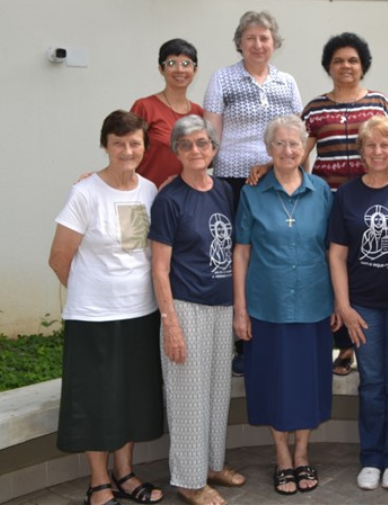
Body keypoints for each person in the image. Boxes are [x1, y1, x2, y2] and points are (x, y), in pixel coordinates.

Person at [249, 32, 388, 377]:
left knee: (369, 263)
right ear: (329, 66)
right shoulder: (316, 108)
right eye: (338, 60)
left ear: (362, 65)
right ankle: (343, 343)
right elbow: (297, 151)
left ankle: (354, 344)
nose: (346, 66)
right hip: (332, 200)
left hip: (378, 197)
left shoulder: (380, 101)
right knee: (336, 265)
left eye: (352, 60)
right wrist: (270, 167)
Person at [48, 110, 164, 505]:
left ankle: (126, 473)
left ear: (144, 147)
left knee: (130, 396)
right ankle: (99, 481)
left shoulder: (149, 190)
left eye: (134, 143)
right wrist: (89, 291)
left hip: (140, 313)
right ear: (106, 146)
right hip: (94, 318)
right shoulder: (85, 193)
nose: (127, 150)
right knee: (96, 399)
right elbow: (59, 257)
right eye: (118, 144)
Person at [232, 115, 334, 497]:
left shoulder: (322, 190)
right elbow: (241, 252)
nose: (288, 151)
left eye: (295, 144)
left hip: (313, 303)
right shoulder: (252, 192)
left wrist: (340, 300)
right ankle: (281, 456)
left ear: (304, 146)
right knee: (272, 382)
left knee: (308, 383)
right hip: (265, 304)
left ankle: (303, 453)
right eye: (280, 144)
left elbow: (333, 251)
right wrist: (240, 309)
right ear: (268, 149)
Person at [149, 116, 244, 505]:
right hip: (186, 307)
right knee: (188, 394)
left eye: (203, 143)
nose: (196, 151)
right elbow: (159, 268)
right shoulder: (169, 200)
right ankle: (188, 480)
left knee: (218, 391)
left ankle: (210, 464)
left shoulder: (223, 190)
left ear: (214, 149)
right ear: (176, 152)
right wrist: (170, 323)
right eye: (186, 145)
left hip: (222, 306)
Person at [203, 10, 302, 375]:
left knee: (272, 254)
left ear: (274, 43)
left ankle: (275, 336)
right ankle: (242, 344)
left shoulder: (287, 82)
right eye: (251, 38)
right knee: (236, 257)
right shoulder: (222, 79)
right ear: (240, 42)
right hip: (233, 182)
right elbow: (210, 136)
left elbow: (297, 133)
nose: (258, 44)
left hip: (277, 178)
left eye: (265, 38)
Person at [328, 116, 388, 492]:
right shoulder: (347, 195)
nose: (378, 152)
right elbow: (336, 255)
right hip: (363, 306)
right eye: (371, 146)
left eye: (385, 145)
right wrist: (344, 306)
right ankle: (371, 457)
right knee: (372, 384)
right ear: (360, 152)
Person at [131, 38, 204, 187]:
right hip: (146, 194)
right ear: (161, 69)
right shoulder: (145, 107)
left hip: (186, 196)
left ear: (195, 70)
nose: (180, 70)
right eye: (171, 63)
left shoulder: (200, 113)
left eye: (186, 64)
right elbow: (126, 150)